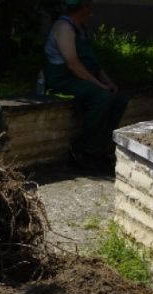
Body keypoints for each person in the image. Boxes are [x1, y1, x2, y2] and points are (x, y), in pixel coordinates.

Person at [44, 0, 128, 168]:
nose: (92, 9)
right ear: (84, 7)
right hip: (63, 80)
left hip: (81, 77)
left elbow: (92, 62)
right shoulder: (64, 27)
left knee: (119, 99)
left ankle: (99, 148)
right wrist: (99, 85)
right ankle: (82, 150)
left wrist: (107, 81)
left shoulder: (82, 29)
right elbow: (73, 65)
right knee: (102, 97)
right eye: (90, 5)